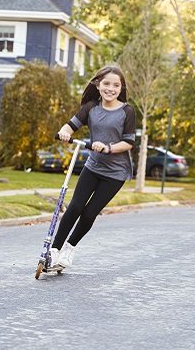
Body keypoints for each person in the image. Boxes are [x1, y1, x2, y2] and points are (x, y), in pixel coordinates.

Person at [50, 66, 136, 269]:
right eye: (106, 84)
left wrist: (108, 147)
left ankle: (69, 250)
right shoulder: (90, 108)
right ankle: (54, 251)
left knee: (89, 213)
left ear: (121, 88)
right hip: (93, 166)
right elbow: (70, 125)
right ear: (98, 85)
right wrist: (64, 132)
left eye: (116, 85)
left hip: (115, 173)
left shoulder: (127, 111)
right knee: (75, 208)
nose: (110, 89)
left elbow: (128, 143)